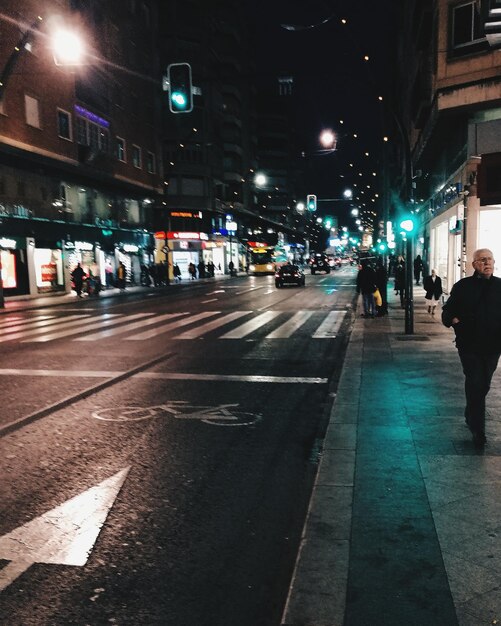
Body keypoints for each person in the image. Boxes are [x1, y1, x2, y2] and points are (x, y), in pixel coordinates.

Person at [442, 248, 501, 447]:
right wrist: (454, 321)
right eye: (483, 260)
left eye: (490, 259)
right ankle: (478, 429)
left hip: (493, 346)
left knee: (483, 384)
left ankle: (470, 413)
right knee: (476, 382)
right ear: (474, 264)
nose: (487, 263)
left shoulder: (500, 286)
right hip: (469, 345)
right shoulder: (463, 286)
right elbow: (447, 310)